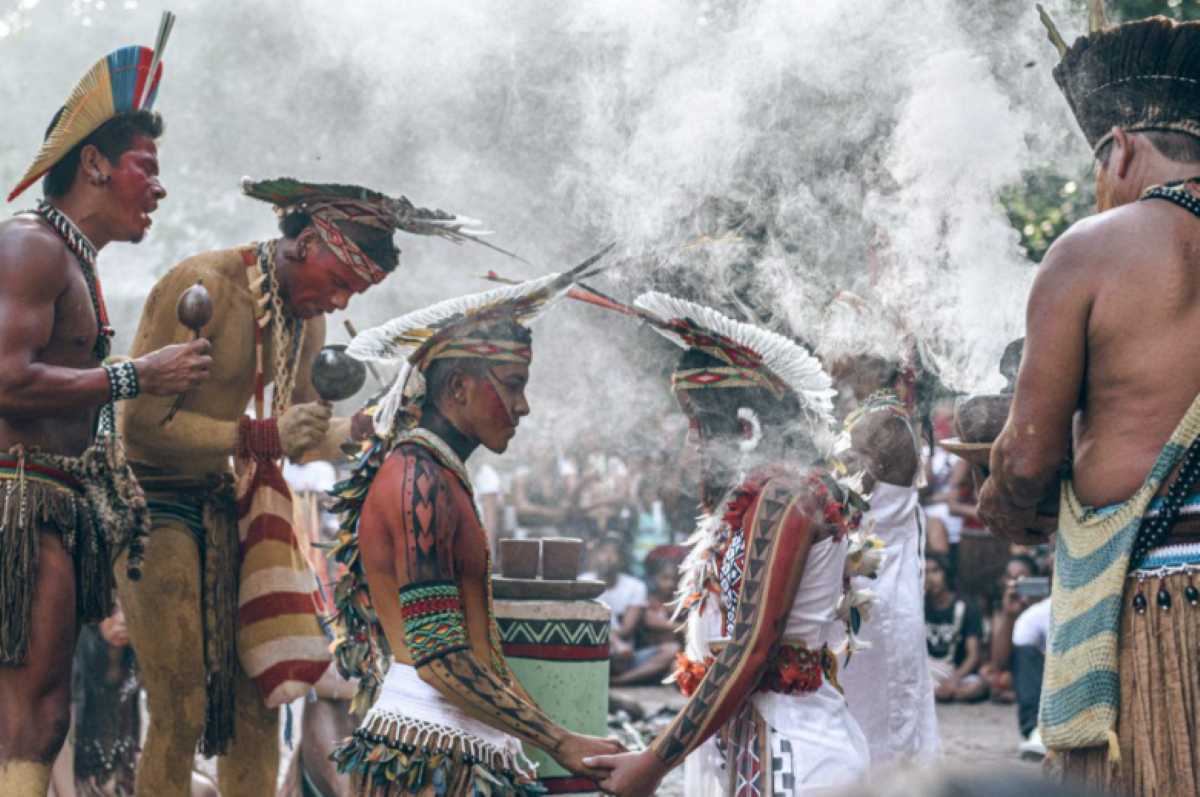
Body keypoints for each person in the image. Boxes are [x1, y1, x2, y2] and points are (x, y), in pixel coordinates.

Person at [114, 177, 464, 796]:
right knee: (181, 705)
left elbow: (301, 430)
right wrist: (257, 439)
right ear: (305, 243)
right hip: (152, 502)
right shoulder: (204, 285)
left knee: (259, 700)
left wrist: (366, 427)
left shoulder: (304, 321)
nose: (337, 302)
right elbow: (139, 424)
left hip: (227, 504)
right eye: (338, 283)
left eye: (351, 293)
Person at [977, 8, 1200, 793]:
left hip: (1162, 607)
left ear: (1124, 147)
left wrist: (1002, 491)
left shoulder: (1091, 248)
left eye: (1099, 166)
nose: (1099, 188)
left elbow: (1030, 454)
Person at [0, 37, 212, 795]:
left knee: (42, 710)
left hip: (49, 502)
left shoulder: (71, 258)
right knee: (29, 713)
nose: (157, 190)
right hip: (16, 501)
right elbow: (6, 380)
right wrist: (134, 375)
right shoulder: (31, 246)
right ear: (93, 163)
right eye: (145, 169)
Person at [328, 263, 624, 795]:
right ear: (459, 387)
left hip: (450, 743)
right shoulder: (420, 480)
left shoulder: (436, 474)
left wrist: (559, 739)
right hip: (430, 750)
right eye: (512, 386)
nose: (523, 406)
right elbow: (439, 658)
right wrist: (558, 741)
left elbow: (473, 649)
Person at [582, 292, 871, 796]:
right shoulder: (757, 497)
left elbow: (751, 648)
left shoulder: (784, 496)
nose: (690, 440)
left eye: (699, 421)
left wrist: (654, 761)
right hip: (744, 746)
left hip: (794, 754)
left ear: (745, 425)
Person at [837, 392, 941, 765]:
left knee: (884, 724)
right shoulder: (869, 416)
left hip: (879, 598)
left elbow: (841, 500)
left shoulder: (883, 424)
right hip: (865, 592)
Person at [924, 553, 988, 703]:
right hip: (929, 671)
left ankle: (942, 693)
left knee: (976, 686)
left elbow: (973, 655)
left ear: (946, 574)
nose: (930, 578)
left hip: (958, 672)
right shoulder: (918, 606)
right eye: (925, 572)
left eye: (935, 571)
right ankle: (939, 693)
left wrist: (954, 679)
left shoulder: (966, 607)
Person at [610, 555, 681, 687]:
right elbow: (649, 621)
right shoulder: (647, 601)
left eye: (673, 579)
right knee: (672, 650)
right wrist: (682, 626)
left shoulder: (676, 603)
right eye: (664, 578)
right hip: (637, 658)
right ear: (653, 578)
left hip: (662, 661)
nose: (670, 584)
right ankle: (622, 680)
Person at [979, 555, 1037, 704]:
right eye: (1010, 578)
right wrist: (1008, 615)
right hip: (1011, 673)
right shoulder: (1001, 610)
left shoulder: (1043, 609)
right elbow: (999, 661)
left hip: (1037, 670)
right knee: (994, 676)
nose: (1014, 583)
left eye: (1021, 578)